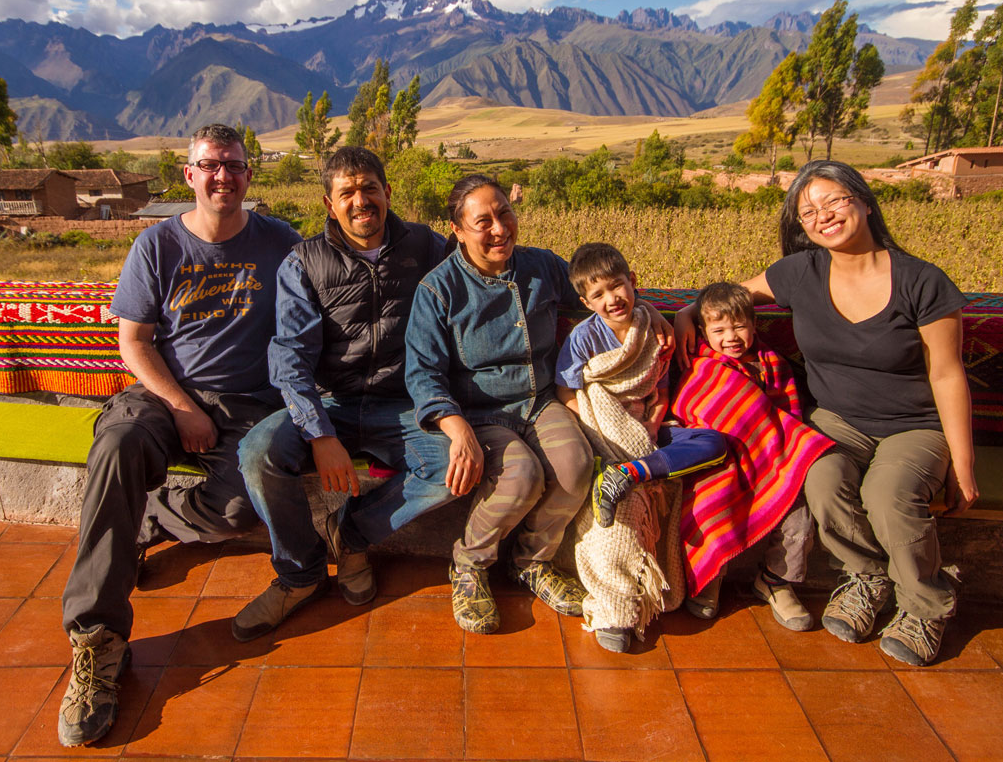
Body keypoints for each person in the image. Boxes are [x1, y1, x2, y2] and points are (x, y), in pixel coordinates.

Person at [678, 159, 979, 666]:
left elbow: (948, 375)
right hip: (838, 418)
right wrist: (684, 317)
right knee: (819, 480)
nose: (822, 215)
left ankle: (926, 606)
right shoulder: (801, 273)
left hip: (913, 426)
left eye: (834, 200)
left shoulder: (922, 282)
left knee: (888, 496)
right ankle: (868, 576)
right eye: (808, 210)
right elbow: (728, 297)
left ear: (863, 200)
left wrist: (963, 466)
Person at [58, 124, 302, 746]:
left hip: (251, 403)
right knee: (116, 446)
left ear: (250, 175)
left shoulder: (281, 243)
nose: (223, 176)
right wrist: (181, 405)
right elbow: (133, 342)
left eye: (235, 166)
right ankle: (97, 642)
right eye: (210, 165)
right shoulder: (157, 246)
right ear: (189, 174)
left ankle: (156, 514)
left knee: (237, 511)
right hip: (166, 394)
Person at [406, 175, 664, 635]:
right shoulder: (438, 290)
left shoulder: (541, 266)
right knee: (520, 475)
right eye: (482, 221)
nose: (500, 228)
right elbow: (422, 371)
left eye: (505, 213)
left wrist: (663, 312)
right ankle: (470, 564)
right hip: (480, 412)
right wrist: (457, 429)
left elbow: (600, 294)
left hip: (540, 401)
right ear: (458, 229)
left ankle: (530, 561)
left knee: (575, 464)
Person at [232, 147, 455, 642]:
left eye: (369, 188)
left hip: (403, 402)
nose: (361, 201)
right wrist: (318, 432)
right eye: (347, 192)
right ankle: (300, 575)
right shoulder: (304, 262)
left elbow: (480, 272)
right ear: (329, 204)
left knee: (451, 467)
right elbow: (290, 357)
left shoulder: (425, 246)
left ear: (387, 192)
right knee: (257, 453)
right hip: (328, 400)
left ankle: (350, 535)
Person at [553, 242, 727, 651]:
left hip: (649, 429)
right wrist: (603, 431)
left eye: (617, 287)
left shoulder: (652, 327)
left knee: (713, 442)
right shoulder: (584, 338)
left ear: (633, 282)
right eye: (598, 295)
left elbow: (659, 385)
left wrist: (650, 422)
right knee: (613, 516)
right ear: (585, 301)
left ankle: (635, 471)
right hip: (602, 429)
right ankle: (616, 605)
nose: (612, 300)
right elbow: (568, 391)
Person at [672, 281, 834, 630]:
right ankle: (711, 571)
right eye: (719, 330)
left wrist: (771, 445)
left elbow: (786, 414)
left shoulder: (772, 364)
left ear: (754, 324)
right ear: (703, 332)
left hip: (771, 456)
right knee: (708, 496)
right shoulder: (700, 365)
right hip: (720, 460)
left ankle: (777, 580)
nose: (731, 337)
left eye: (739, 326)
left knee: (798, 504)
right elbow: (692, 410)